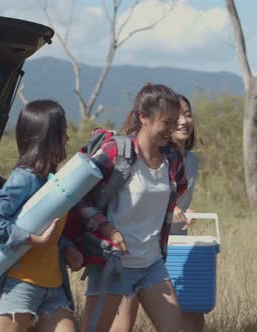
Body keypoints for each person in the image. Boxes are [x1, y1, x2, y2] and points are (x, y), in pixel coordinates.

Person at [72, 83, 188, 332]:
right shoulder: (116, 151)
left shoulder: (174, 159)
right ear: (144, 118)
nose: (172, 129)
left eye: (175, 121)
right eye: (166, 122)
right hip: (112, 264)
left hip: (152, 263)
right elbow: (78, 197)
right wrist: (106, 228)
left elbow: (176, 191)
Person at [0, 99, 83, 332]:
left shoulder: (50, 181)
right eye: (63, 133)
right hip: (19, 286)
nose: (67, 139)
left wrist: (66, 248)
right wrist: (33, 240)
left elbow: (45, 227)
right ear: (47, 137)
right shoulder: (24, 178)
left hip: (54, 287)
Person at [108, 94, 202, 332]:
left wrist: (181, 211)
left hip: (163, 251)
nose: (181, 122)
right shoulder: (130, 154)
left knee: (190, 313)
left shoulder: (186, 161)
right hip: (126, 254)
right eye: (174, 117)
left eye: (187, 114)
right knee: (121, 323)